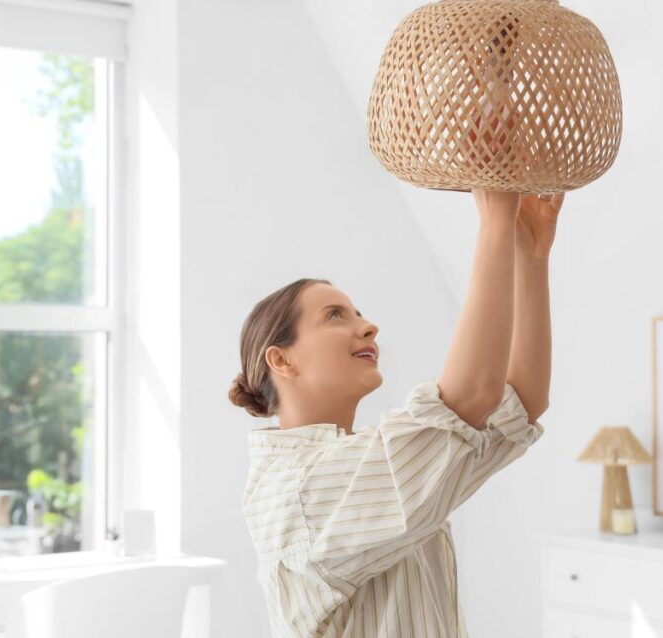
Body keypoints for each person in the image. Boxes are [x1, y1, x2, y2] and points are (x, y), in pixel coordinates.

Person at [229, 189, 563, 637]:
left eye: (358, 314)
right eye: (335, 315)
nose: (368, 326)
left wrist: (532, 255)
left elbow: (519, 404)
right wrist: (495, 219)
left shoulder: (364, 465)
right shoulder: (297, 488)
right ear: (281, 360)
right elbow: (472, 397)